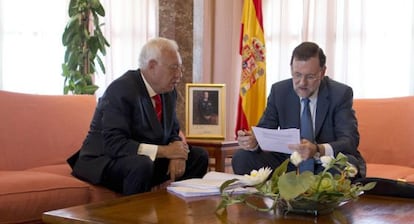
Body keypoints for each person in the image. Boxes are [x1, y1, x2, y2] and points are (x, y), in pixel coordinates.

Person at [67, 37, 209, 195]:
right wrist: (165, 152)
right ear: (152, 66)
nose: (179, 74)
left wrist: (178, 154)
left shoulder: (168, 91)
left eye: (180, 68)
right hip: (106, 160)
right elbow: (115, 144)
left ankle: (174, 210)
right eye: (174, 67)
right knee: (141, 165)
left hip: (145, 159)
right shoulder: (121, 90)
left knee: (199, 156)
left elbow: (173, 131)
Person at [232, 41, 366, 179]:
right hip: (288, 162)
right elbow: (264, 131)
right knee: (242, 158)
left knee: (345, 167)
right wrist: (253, 142)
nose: (302, 83)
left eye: (310, 76)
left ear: (322, 72)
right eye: (297, 75)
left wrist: (317, 149)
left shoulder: (340, 93)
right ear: (291, 69)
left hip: (323, 162)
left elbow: (350, 141)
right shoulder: (279, 91)